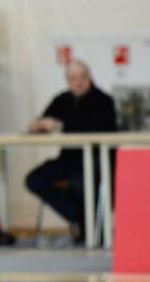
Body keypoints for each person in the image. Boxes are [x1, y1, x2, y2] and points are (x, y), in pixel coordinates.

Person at [25, 60, 117, 242]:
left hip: (96, 160)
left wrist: (62, 125)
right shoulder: (62, 100)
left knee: (79, 182)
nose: (79, 81)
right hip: (68, 159)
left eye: (83, 76)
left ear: (90, 78)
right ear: (68, 81)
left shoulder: (103, 100)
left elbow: (99, 127)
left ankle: (89, 228)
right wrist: (38, 125)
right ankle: (78, 217)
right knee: (34, 179)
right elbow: (45, 120)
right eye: (73, 78)